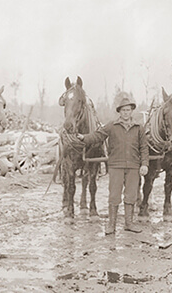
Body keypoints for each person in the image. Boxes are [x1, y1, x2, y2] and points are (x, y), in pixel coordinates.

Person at [66, 92, 149, 235]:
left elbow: (144, 148)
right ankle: (111, 225)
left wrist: (144, 164)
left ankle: (129, 223)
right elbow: (97, 135)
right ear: (119, 112)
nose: (126, 113)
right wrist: (83, 137)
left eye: (128, 110)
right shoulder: (112, 126)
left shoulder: (138, 128)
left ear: (131, 111)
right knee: (114, 196)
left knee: (130, 195)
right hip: (116, 165)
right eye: (123, 110)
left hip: (134, 166)